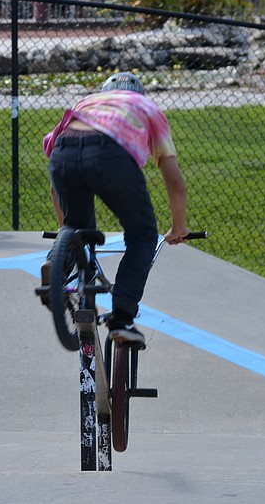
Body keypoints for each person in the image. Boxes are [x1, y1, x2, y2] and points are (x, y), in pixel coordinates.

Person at [42, 72, 189, 345]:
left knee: (78, 226)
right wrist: (178, 226)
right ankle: (122, 318)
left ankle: (56, 267)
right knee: (142, 234)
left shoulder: (87, 103)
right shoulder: (147, 108)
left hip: (64, 151)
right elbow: (174, 181)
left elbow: (55, 186)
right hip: (110, 155)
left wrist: (64, 234)